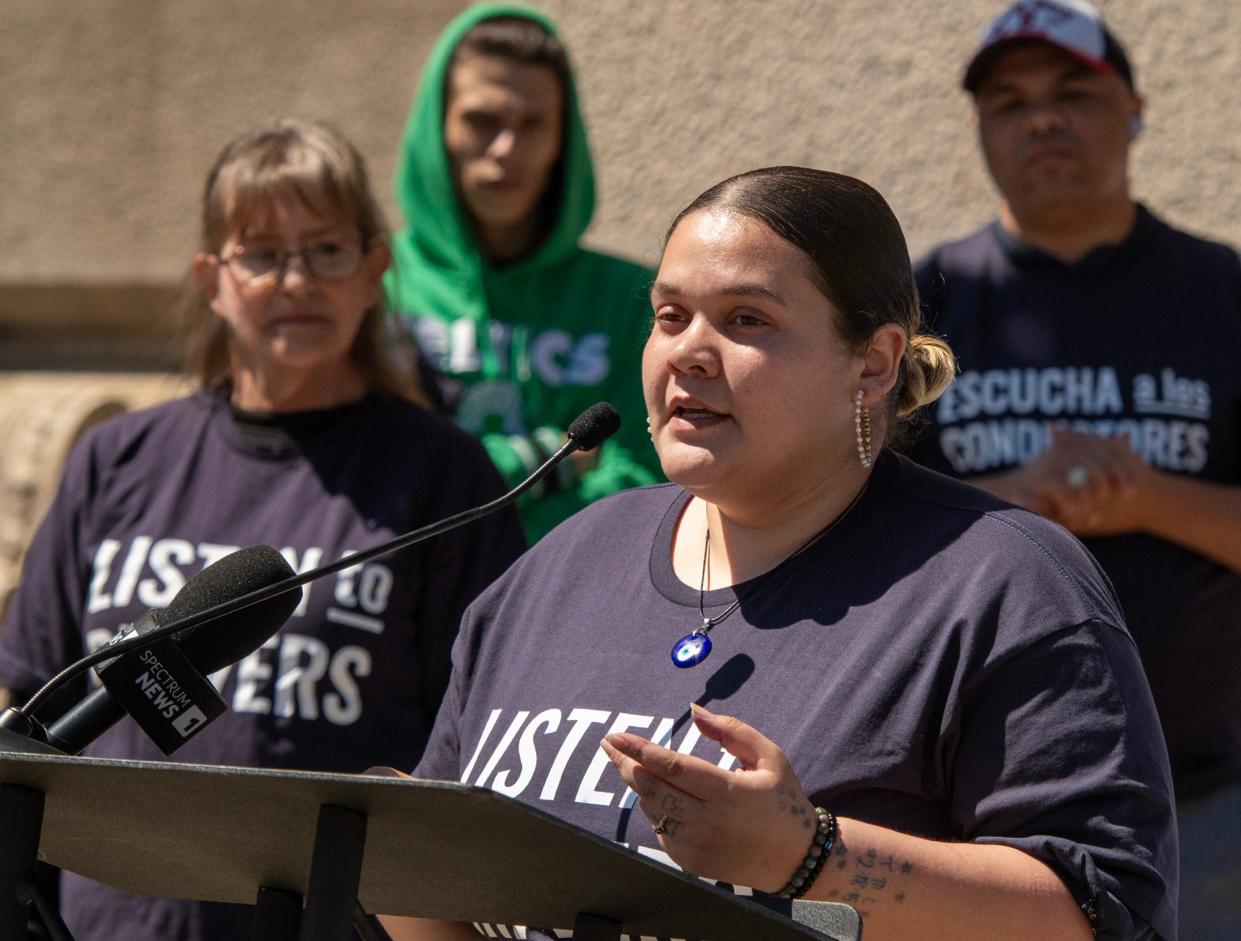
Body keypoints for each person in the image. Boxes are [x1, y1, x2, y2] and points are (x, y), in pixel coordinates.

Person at [381, 167, 1177, 941]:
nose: (689, 352)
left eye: (745, 320)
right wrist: (385, 855)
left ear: (872, 362)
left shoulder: (1003, 582)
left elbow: (1097, 913)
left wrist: (812, 856)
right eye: (669, 316)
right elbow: (448, 887)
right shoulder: (566, 560)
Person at [0, 118, 527, 941]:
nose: (296, 281)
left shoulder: (443, 476)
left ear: (373, 270)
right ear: (212, 278)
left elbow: (475, 746)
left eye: (326, 250)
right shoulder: (117, 458)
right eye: (262, 254)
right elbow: (35, 697)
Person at [907, 2, 1241, 936]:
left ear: (1132, 108)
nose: (1040, 118)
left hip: (1205, 799)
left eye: (1071, 93)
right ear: (979, 128)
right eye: (1007, 100)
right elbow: (850, 531)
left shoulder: (1220, 292)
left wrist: (1149, 496)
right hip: (972, 810)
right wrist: (1016, 503)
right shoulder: (918, 307)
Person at [386, 4, 662, 542]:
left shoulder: (631, 300)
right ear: (435, 126)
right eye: (481, 120)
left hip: (568, 592)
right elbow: (383, 473)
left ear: (563, 139)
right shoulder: (375, 283)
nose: (506, 149)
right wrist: (550, 458)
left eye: (533, 124)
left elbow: (642, 485)